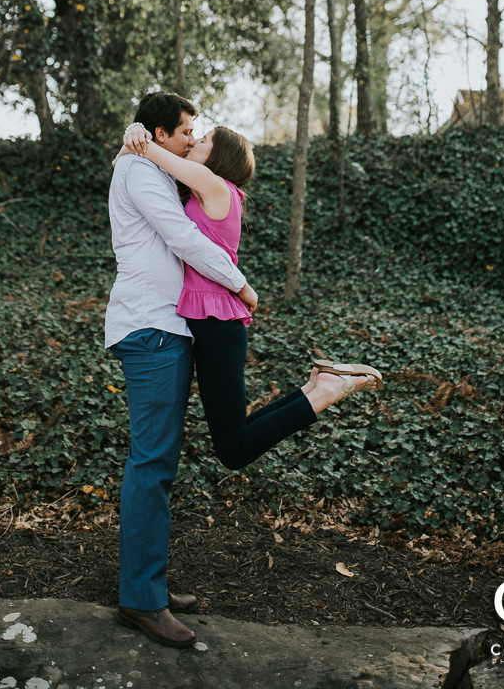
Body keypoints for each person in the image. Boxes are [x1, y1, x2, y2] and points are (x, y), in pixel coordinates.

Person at [119, 120, 382, 474]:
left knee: (234, 450)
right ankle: (317, 386)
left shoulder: (214, 185)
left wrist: (135, 134)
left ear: (221, 156)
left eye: (205, 139)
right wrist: (131, 140)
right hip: (212, 323)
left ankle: (327, 392)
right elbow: (137, 167)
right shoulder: (205, 190)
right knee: (234, 437)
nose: (196, 140)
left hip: (217, 325)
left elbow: (152, 154)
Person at [105, 91, 257, 651]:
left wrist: (136, 132)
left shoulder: (147, 159)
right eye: (187, 130)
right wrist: (239, 282)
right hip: (151, 329)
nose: (193, 138)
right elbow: (183, 238)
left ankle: (149, 584)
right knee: (151, 462)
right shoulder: (141, 171)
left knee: (159, 462)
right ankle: (141, 600)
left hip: (166, 327)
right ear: (162, 133)